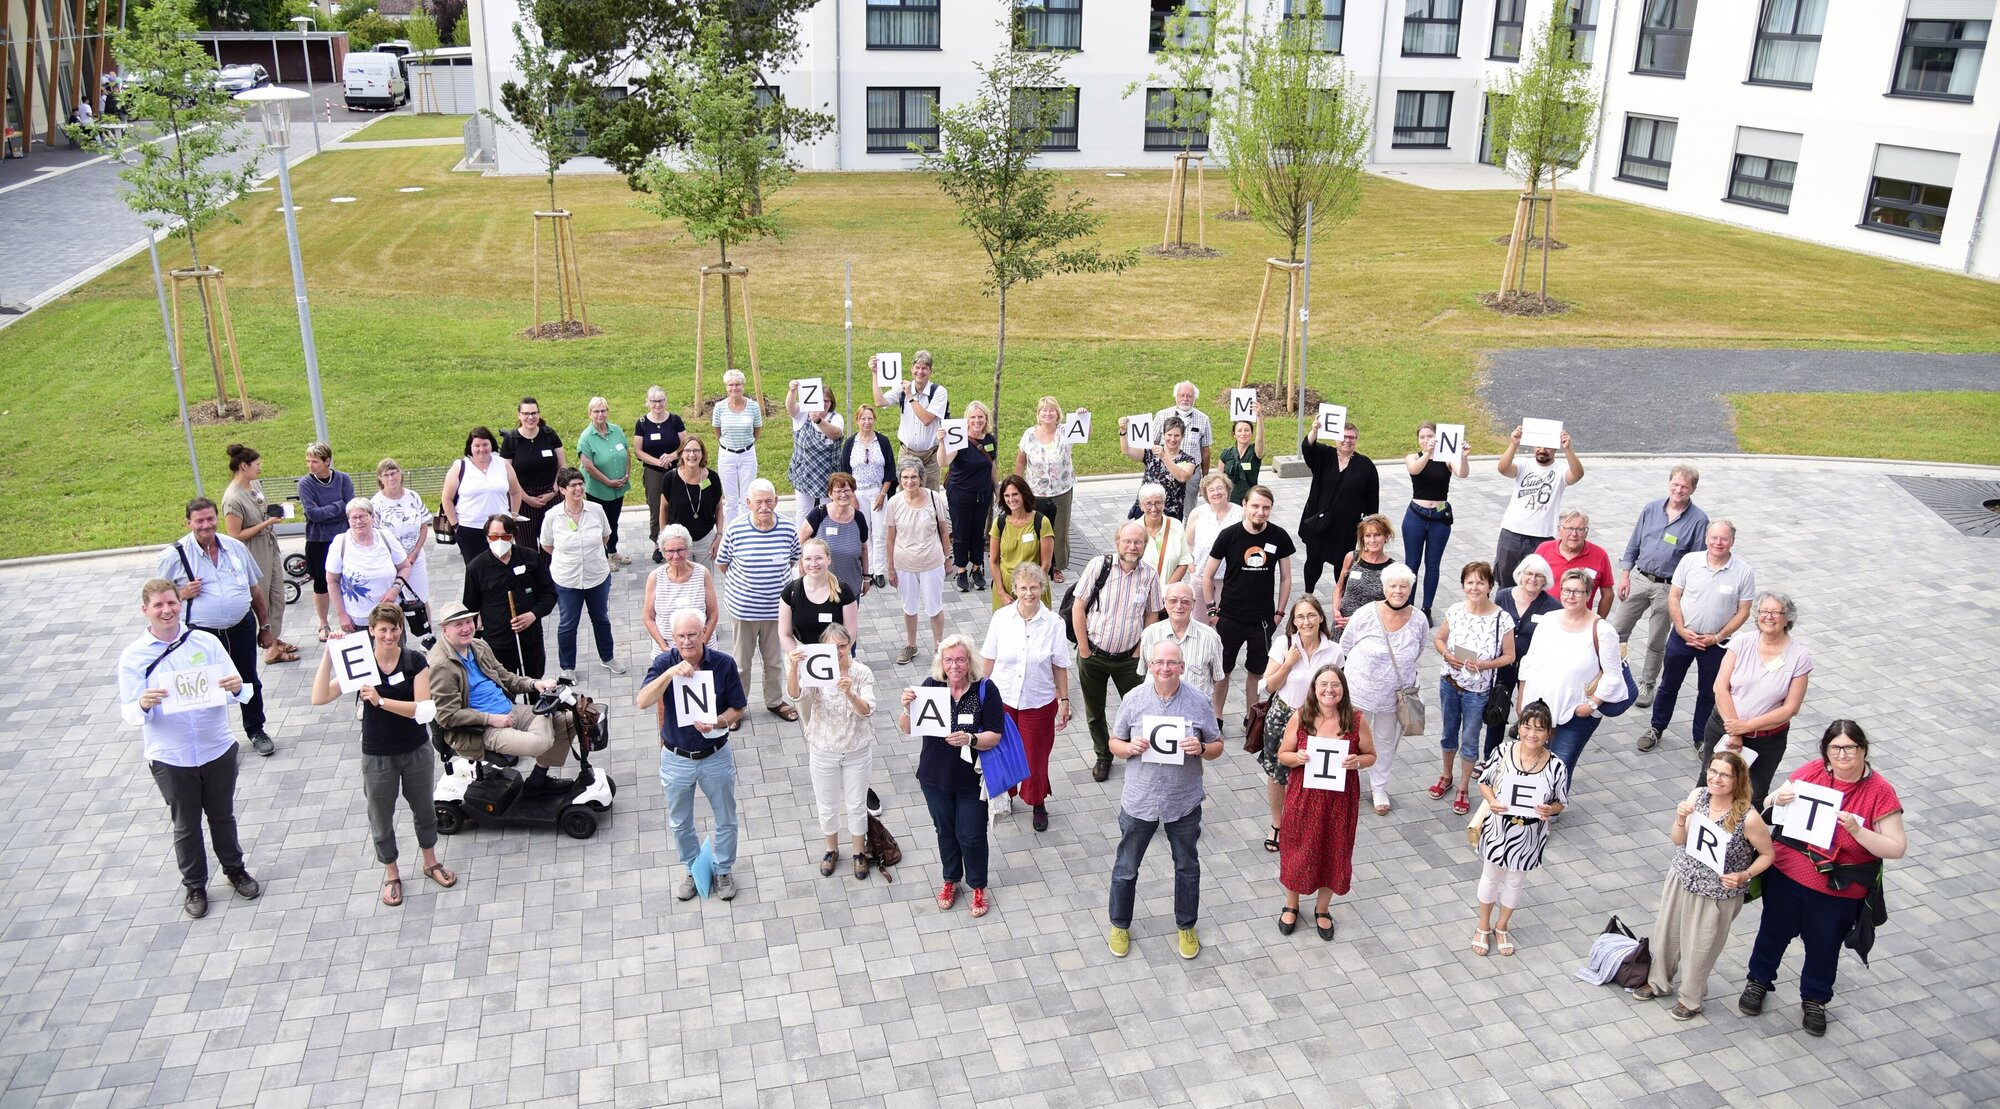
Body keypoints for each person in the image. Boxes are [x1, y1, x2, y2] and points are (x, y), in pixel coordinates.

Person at [1741, 720, 1906, 1037]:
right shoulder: (1812, 771)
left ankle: (1815, 999)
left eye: (1850, 748)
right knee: (1773, 931)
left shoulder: (1880, 792)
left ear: (1863, 750)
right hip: (1788, 875)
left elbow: (1897, 847)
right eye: (1835, 748)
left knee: (1824, 945)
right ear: (1826, 751)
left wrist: (1858, 832)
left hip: (1838, 888)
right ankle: (1758, 981)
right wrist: (1779, 798)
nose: (1842, 755)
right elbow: (1768, 802)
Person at [117, 579, 263, 919]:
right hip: (171, 754)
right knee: (185, 823)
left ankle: (234, 869)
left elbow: (240, 690)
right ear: (145, 611)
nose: (167, 610)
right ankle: (195, 885)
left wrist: (236, 686)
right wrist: (142, 702)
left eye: (171, 603)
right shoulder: (133, 657)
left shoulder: (204, 642)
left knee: (222, 815)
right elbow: (128, 712)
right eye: (159, 606)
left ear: (179, 603)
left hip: (216, 746)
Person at [309, 602, 456, 908]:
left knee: (424, 810)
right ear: (372, 632)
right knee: (381, 816)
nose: (389, 636)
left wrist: (380, 701)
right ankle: (392, 873)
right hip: (378, 755)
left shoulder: (415, 660)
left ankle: (430, 862)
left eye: (394, 629)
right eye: (383, 630)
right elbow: (319, 697)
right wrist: (329, 657)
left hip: (415, 749)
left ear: (401, 630)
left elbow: (423, 710)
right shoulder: (361, 664)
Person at [1104, 639, 1222, 959]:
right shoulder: (1134, 698)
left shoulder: (1198, 701)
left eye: (1172, 663)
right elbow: (1114, 741)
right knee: (1126, 866)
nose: (1165, 668)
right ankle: (1119, 924)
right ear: (1150, 665)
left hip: (1182, 800)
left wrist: (1202, 749)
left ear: (1182, 667)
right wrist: (1128, 749)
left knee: (1186, 866)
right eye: (1159, 663)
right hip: (1140, 798)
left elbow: (1217, 745)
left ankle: (1186, 926)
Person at [1638, 750, 1774, 1021]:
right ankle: (1658, 981)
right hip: (1682, 877)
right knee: (1667, 934)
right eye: (1713, 771)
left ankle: (1691, 998)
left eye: (1725, 775)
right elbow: (1678, 840)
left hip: (1717, 891)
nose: (1716, 778)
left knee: (1701, 946)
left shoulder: (1748, 817)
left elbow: (1769, 854)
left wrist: (1745, 875)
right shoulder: (1697, 796)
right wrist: (1679, 820)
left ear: (1737, 780)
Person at [639, 609, 750, 903]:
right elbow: (642, 701)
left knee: (725, 817)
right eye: (680, 636)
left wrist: (717, 722)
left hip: (715, 754)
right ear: (672, 638)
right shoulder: (665, 662)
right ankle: (692, 868)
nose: (687, 642)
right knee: (680, 821)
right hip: (676, 758)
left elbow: (738, 707)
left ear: (705, 633)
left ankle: (723, 868)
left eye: (693, 634)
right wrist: (671, 673)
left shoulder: (724, 664)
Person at [156, 497, 277, 756]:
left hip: (241, 627)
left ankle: (256, 730)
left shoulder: (234, 547)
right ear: (188, 522)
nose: (206, 525)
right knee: (204, 687)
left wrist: (264, 626)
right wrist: (181, 593)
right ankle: (212, 739)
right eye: (199, 521)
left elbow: (254, 588)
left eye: (210, 519)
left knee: (248, 681)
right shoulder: (174, 555)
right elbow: (156, 598)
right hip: (201, 634)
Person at [899, 636, 1004, 918]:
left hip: (971, 780)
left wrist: (971, 738)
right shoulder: (931, 686)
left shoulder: (985, 689)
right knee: (945, 831)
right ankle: (951, 879)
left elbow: (995, 734)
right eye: (949, 660)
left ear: (969, 661)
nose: (954, 665)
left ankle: (978, 885)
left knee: (970, 835)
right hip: (934, 777)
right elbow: (908, 729)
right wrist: (906, 708)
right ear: (941, 663)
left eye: (960, 659)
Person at [427, 603, 576, 795]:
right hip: (481, 729)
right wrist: (490, 719)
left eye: (468, 621)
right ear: (444, 629)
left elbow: (506, 677)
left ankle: (538, 781)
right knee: (541, 742)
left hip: (509, 710)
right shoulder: (441, 666)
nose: (466, 628)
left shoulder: (478, 645)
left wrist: (534, 684)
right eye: (458, 624)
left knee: (569, 721)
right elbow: (447, 716)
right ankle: (545, 720)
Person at [1274, 665, 1375, 941]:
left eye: (1335, 685)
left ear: (1343, 690)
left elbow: (1370, 755)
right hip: (1304, 798)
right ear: (1314, 689)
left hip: (1340, 800)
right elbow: (1283, 753)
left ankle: (1322, 908)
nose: (1329, 690)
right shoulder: (1302, 716)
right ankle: (1291, 903)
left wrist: (1357, 762)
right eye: (1323, 684)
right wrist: (1298, 758)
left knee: (1335, 851)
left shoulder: (1355, 720)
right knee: (1298, 848)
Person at [1640, 520, 1755, 754]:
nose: (1718, 543)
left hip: (1717, 644)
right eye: (1714, 537)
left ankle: (1702, 738)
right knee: (1668, 686)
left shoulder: (1743, 571)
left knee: (1709, 692)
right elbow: (1674, 596)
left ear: (1732, 541)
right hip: (1682, 638)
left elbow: (1744, 610)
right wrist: (1681, 629)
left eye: (1724, 538)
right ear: (1706, 539)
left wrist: (1718, 636)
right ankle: (1656, 727)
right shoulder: (1690, 561)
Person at [1327, 563, 1429, 816]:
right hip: (1359, 691)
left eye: (1403, 586)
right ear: (1384, 588)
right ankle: (1339, 783)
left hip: (1393, 696)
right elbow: (1346, 645)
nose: (1398, 591)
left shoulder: (1418, 620)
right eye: (1393, 586)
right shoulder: (1365, 613)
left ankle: (1379, 787)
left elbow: (1418, 650)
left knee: (1384, 741)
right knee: (1347, 736)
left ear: (1410, 589)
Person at [1470, 700, 1569, 957]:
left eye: (1539, 729)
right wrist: (1492, 801)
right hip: (1499, 828)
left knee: (1514, 882)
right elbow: (1484, 781)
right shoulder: (1503, 751)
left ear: (1549, 733)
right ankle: (1483, 926)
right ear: (1520, 727)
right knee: (1490, 876)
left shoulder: (1557, 765)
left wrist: (1551, 809)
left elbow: (1561, 802)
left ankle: (1502, 927)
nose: (1532, 734)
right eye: (1527, 727)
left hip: (1529, 833)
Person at [979, 563, 1072, 832]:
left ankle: (1037, 800)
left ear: (1042, 589)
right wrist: (980, 696)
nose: (1029, 593)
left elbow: (1060, 665)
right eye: (1023, 588)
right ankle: (1004, 797)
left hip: (1039, 701)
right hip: (1003, 698)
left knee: (1035, 756)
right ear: (1014, 589)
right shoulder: (1001, 618)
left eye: (1034, 587)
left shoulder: (1054, 623)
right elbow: (989, 659)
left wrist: (1064, 701)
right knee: (1003, 752)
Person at [1698, 591, 1811, 808]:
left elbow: (1790, 709)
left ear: (1788, 618)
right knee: (1710, 785)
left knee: (1753, 796)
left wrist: (1745, 727)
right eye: (1764, 611)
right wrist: (1735, 730)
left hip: (1766, 740)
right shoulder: (1741, 642)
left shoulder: (1799, 656)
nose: (1769, 617)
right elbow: (1720, 687)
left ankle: (1743, 841)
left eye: (1776, 612)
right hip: (1724, 729)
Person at [1514, 568, 1625, 784]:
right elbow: (1529, 661)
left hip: (1573, 715)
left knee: (1558, 768)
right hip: (1537, 711)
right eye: (1566, 590)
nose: (1570, 596)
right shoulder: (1548, 619)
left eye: (1577, 592)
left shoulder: (1602, 630)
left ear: (1588, 595)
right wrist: (1521, 701)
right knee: (1529, 763)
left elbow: (1613, 676)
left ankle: (1550, 812)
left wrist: (1590, 706)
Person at [1201, 485, 1294, 744]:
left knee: (1257, 673)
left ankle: (1251, 717)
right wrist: (1212, 611)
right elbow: (1207, 575)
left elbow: (1286, 578)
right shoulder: (1229, 536)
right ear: (1245, 505)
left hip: (1263, 620)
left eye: (1265, 507)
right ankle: (1216, 716)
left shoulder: (1279, 537)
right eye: (1255, 506)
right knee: (1223, 671)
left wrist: (1279, 613)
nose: (1260, 511)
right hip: (1229, 617)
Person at [1072, 522, 1164, 783]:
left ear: (1145, 546)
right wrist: (1085, 649)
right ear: (1117, 542)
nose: (1132, 547)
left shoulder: (1149, 575)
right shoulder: (1099, 566)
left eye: (1138, 542)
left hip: (1129, 660)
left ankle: (1138, 750)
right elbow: (1079, 607)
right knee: (1095, 710)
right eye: (1127, 541)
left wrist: (1140, 649)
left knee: (1139, 708)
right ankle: (1103, 755)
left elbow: (1152, 613)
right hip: (1095, 656)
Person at [1610, 466, 1708, 708]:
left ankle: (1647, 683)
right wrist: (1625, 575)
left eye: (1684, 486)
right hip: (1640, 578)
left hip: (1669, 587)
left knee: (1656, 639)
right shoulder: (1651, 508)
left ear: (1693, 489)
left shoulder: (1699, 520)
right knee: (1616, 632)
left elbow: (1696, 561)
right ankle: (1608, 676)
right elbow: (1634, 542)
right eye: (1675, 484)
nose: (1678, 490)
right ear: (1669, 484)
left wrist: (1684, 594)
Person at [786, 623, 877, 879]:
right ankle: (831, 848)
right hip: (823, 747)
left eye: (842, 646)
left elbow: (867, 710)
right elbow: (796, 695)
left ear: (849, 646)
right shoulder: (817, 670)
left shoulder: (862, 673)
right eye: (831, 647)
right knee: (826, 803)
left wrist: (850, 693)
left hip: (856, 748)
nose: (837, 651)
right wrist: (793, 667)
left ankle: (859, 852)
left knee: (857, 804)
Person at [1431, 562, 1517, 817]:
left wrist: (1485, 664)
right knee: (1448, 734)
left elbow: (1510, 656)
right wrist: (1447, 654)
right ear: (1463, 585)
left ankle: (1464, 787)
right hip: (1450, 683)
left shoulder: (1502, 618)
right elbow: (1439, 639)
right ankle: (1446, 776)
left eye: (1480, 582)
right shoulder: (1456, 610)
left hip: (1477, 691)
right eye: (1470, 582)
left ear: (1490, 585)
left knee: (1469, 739)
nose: (1475, 587)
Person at [1256, 596, 1339, 851]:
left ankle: (1306, 826)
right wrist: (1289, 663)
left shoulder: (1334, 650)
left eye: (1311, 615)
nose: (1306, 621)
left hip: (1317, 720)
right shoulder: (1284, 643)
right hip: (1282, 715)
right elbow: (1268, 685)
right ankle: (1277, 824)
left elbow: (1337, 689)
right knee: (1278, 774)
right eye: (1300, 617)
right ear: (1294, 621)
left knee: (1311, 776)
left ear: (1321, 618)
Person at [716, 478, 801, 720]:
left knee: (774, 662)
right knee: (741, 663)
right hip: (744, 611)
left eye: (768, 501)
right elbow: (723, 564)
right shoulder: (736, 529)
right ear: (748, 503)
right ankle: (737, 706)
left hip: (777, 612)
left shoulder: (787, 527)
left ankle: (774, 701)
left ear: (776, 501)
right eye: (758, 502)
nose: (764, 506)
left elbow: (793, 559)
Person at [540, 469, 623, 679]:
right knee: (568, 623)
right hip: (567, 579)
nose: (578, 489)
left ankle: (608, 657)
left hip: (597, 576)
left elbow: (605, 536)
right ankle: (567, 667)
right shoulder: (552, 516)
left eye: (580, 484)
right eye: (573, 486)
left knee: (601, 618)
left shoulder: (596, 510)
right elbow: (547, 545)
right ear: (562, 490)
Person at [220, 443, 296, 664]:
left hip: (269, 547)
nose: (260, 468)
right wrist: (267, 524)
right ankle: (269, 647)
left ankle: (274, 638)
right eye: (257, 465)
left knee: (277, 595)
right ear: (244, 466)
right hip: (253, 552)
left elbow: (262, 509)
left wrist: (273, 514)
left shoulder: (253, 486)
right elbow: (235, 534)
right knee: (262, 596)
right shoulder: (232, 499)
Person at [1484, 554, 1559, 758]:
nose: (1533, 579)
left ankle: (1525, 756)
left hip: (1533, 668)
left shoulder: (1553, 607)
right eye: (1529, 574)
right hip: (1504, 663)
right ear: (1521, 574)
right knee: (1497, 709)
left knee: (1528, 710)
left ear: (1545, 580)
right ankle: (1490, 757)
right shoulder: (1504, 596)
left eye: (1539, 575)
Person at [462, 514, 554, 678]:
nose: (499, 541)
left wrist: (533, 615)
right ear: (487, 538)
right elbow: (470, 608)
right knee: (504, 689)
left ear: (513, 536)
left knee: (535, 685)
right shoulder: (476, 567)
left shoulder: (530, 557)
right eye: (494, 536)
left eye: (505, 536)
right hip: (498, 642)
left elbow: (549, 593)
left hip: (530, 638)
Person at [1492, 425, 1583, 588]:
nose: (1542, 450)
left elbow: (1577, 474)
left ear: (1555, 448)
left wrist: (1568, 449)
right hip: (1511, 534)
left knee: (1536, 584)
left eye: (1548, 447)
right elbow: (1503, 468)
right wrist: (1514, 444)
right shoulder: (1523, 464)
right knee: (1505, 582)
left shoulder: (1560, 471)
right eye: (1539, 446)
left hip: (1542, 538)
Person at [1297, 419, 1378, 597]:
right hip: (1318, 521)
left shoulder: (1366, 466)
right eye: (1343, 436)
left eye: (1352, 437)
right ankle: (1308, 595)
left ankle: (1340, 598)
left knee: (1342, 564)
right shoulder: (1324, 455)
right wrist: (1314, 431)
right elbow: (1307, 448)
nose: (1347, 440)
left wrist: (1372, 527)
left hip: (1345, 527)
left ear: (1356, 440)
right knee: (1313, 560)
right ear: (1336, 438)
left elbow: (1373, 498)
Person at [883, 459, 951, 666]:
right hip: (904, 564)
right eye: (905, 477)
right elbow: (890, 537)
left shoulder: (934, 498)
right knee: (909, 607)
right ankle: (911, 645)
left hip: (932, 562)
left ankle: (939, 647)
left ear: (921, 478)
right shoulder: (894, 502)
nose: (909, 481)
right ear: (900, 479)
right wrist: (890, 567)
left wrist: (948, 559)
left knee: (934, 606)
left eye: (913, 477)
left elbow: (943, 530)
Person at [1403, 421, 1470, 622]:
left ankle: (1427, 608)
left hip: (1439, 517)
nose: (1426, 440)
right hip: (1416, 515)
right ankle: (1408, 607)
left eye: (1430, 436)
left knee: (1433, 564)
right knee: (1412, 564)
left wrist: (1462, 457)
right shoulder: (1414, 457)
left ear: (1438, 437)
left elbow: (1462, 473)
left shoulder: (1447, 459)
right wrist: (1427, 453)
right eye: (1422, 437)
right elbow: (1415, 470)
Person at [1137, 581, 1226, 731]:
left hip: (1194, 714)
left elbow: (1216, 678)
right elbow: (1144, 672)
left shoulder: (1210, 637)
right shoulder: (1149, 634)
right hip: (1156, 713)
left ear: (1193, 604)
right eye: (1173, 601)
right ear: (1164, 603)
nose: (1179, 606)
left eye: (1185, 601)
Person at [1014, 396, 1083, 581]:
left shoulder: (1067, 431)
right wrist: (1018, 488)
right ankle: (1036, 566)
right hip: (1035, 492)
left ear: (1057, 414)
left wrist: (1083, 417)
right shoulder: (1029, 434)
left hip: (1062, 491)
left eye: (1051, 410)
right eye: (1044, 410)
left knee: (1059, 531)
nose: (1047, 413)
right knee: (1036, 530)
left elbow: (1087, 433)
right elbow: (1020, 462)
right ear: (1038, 414)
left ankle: (1057, 567)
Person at [440, 425, 524, 567]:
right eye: (477, 445)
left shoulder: (503, 464)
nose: (481, 449)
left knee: (503, 567)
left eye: (485, 444)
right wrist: (456, 526)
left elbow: (516, 492)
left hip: (500, 529)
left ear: (492, 444)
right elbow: (446, 498)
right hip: (470, 529)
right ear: (470, 447)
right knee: (477, 571)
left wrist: (513, 517)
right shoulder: (460, 467)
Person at [324, 498, 408, 634]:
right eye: (353, 518)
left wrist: (395, 589)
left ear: (372, 517)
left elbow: (405, 567)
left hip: (390, 616)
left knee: (395, 654)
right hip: (357, 620)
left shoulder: (386, 538)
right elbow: (332, 581)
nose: (358, 522)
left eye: (363, 516)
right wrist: (342, 615)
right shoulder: (340, 543)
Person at [298, 442, 355, 642]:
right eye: (308, 461)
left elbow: (350, 508)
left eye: (314, 461)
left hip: (342, 538)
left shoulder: (343, 479)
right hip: (318, 540)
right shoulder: (305, 484)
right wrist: (337, 506)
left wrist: (332, 510)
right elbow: (313, 514)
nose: (310, 465)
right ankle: (323, 623)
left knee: (348, 579)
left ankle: (349, 618)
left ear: (327, 461)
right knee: (321, 583)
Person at [837, 404, 897, 586]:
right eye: (863, 418)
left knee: (880, 532)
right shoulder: (850, 443)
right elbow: (844, 471)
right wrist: (851, 496)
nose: (867, 422)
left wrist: (882, 494)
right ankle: (868, 570)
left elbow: (890, 471)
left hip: (878, 491)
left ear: (874, 420)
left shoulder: (883, 441)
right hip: (858, 493)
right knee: (864, 533)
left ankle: (879, 570)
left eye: (870, 418)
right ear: (857, 420)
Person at [943, 400, 999, 592]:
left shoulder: (989, 440)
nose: (977, 421)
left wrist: (997, 488)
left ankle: (977, 568)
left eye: (980, 417)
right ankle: (961, 570)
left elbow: (992, 465)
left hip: (983, 494)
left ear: (986, 419)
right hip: (960, 494)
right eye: (973, 417)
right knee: (961, 533)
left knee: (978, 532)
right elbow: (943, 461)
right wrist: (942, 442)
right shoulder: (958, 437)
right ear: (967, 419)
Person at [873, 350, 948, 490]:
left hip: (931, 455)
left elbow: (927, 419)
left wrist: (910, 396)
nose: (920, 371)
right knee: (905, 496)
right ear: (912, 369)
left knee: (930, 497)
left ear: (930, 371)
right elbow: (879, 402)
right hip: (907, 453)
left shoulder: (939, 392)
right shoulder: (902, 388)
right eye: (917, 367)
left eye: (925, 368)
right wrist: (875, 374)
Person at [780, 539, 860, 669]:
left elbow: (850, 633)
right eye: (808, 559)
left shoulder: (844, 592)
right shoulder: (791, 592)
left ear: (828, 559)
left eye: (818, 558)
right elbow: (784, 634)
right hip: (802, 657)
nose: (813, 564)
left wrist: (836, 656)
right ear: (801, 561)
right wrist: (796, 655)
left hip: (837, 657)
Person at [575, 397, 634, 567]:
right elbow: (589, 467)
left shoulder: (616, 431)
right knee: (600, 524)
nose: (600, 414)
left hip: (618, 488)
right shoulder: (586, 437)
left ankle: (613, 551)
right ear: (590, 414)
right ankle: (602, 557)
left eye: (603, 410)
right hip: (599, 489)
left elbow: (627, 454)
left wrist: (627, 475)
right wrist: (608, 482)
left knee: (613, 521)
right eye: (596, 411)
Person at [643, 524, 720, 654]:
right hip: (667, 651)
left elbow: (713, 615)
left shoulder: (702, 573)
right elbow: (648, 617)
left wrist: (701, 646)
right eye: (670, 551)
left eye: (680, 550)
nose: (676, 555)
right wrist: (664, 648)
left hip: (702, 649)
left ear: (688, 550)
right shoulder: (655, 577)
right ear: (662, 552)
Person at [501, 396, 565, 547]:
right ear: (519, 415)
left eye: (534, 413)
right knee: (526, 547)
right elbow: (507, 475)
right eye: (526, 414)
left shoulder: (549, 435)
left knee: (552, 544)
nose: (531, 417)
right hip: (523, 501)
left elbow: (562, 467)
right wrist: (526, 498)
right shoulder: (511, 439)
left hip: (551, 498)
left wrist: (553, 492)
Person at [371, 459, 433, 611]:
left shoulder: (413, 496)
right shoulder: (375, 503)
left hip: (415, 558)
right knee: (394, 604)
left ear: (401, 474)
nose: (391, 478)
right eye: (386, 475)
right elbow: (375, 537)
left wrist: (414, 553)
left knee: (421, 599)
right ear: (380, 478)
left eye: (394, 473)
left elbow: (424, 527)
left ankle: (426, 632)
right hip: (390, 562)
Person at [634, 385, 687, 562]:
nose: (658, 404)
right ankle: (659, 543)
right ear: (647, 403)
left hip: (675, 470)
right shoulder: (642, 423)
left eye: (661, 400)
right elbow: (638, 451)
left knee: (678, 505)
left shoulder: (675, 420)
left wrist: (671, 456)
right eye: (654, 401)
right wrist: (657, 461)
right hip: (653, 471)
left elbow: (685, 445)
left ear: (666, 401)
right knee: (656, 507)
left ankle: (680, 541)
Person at [987, 474, 1054, 612]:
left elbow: (1046, 564)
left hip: (1033, 589)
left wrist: (1032, 591)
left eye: (1015, 494)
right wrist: (1002, 592)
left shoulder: (1041, 522)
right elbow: (993, 561)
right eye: (1007, 496)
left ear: (1024, 494)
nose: (1011, 499)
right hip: (1005, 588)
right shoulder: (999, 523)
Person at [801, 473, 872, 603]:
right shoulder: (819, 514)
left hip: (851, 585)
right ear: (830, 494)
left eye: (847, 490)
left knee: (848, 623)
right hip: (821, 586)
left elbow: (864, 549)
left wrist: (866, 577)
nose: (843, 495)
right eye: (838, 491)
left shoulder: (859, 518)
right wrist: (802, 575)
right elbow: (800, 542)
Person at [711, 369, 764, 532]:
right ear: (726, 387)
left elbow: (757, 429)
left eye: (738, 384)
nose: (734, 388)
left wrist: (747, 443)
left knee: (747, 495)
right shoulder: (719, 407)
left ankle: (749, 529)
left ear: (743, 385)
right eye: (731, 385)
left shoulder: (753, 407)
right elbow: (717, 430)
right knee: (731, 499)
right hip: (727, 455)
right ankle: (732, 531)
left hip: (747, 454)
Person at [1185, 474, 1241, 628]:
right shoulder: (1198, 513)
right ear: (1205, 493)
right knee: (1198, 621)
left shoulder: (1240, 513)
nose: (1216, 493)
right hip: (1200, 576)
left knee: (1223, 621)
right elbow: (1188, 543)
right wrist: (1191, 565)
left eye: (1220, 488)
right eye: (1211, 490)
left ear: (1228, 490)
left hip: (1227, 578)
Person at [661, 434, 724, 571]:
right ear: (681, 454)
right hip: (679, 542)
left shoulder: (712, 478)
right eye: (687, 451)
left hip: (705, 540)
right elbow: (663, 509)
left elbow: (719, 508)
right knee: (681, 581)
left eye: (696, 451)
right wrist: (664, 538)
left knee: (704, 582)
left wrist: (719, 536)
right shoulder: (670, 478)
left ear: (702, 454)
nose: (692, 455)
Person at [1534, 510, 1614, 617]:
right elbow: (1529, 582)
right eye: (1569, 528)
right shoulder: (1544, 549)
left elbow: (1608, 594)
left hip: (1579, 620)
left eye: (1580, 529)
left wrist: (1598, 621)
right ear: (1559, 530)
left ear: (1586, 533)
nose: (1574, 534)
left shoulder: (1600, 555)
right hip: (1544, 616)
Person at [784, 377, 845, 519]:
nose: (824, 404)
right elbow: (790, 408)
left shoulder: (836, 418)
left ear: (832, 403)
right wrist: (792, 391)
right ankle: (802, 541)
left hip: (827, 473)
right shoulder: (802, 414)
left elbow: (835, 434)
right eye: (821, 400)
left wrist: (818, 420)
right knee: (803, 512)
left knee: (828, 511)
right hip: (804, 472)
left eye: (827, 401)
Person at [1119, 414, 1197, 520]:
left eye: (1177, 435)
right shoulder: (1150, 453)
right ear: (1163, 435)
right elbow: (1127, 450)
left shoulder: (1188, 460)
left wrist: (1164, 456)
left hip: (1170, 512)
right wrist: (1123, 432)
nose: (1172, 439)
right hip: (1145, 509)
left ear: (1182, 437)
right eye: (1169, 435)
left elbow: (1183, 477)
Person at [1331, 513, 1397, 640]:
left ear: (1386, 537)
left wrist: (1358, 620)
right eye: (1368, 536)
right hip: (1342, 626)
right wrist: (1335, 611)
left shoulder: (1392, 569)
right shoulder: (1352, 557)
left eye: (1377, 535)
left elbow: (1391, 606)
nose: (1372, 540)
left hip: (1369, 630)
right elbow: (1339, 588)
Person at [1133, 482, 1192, 591]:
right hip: (1140, 593)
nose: (1154, 508)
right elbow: (1127, 565)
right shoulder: (1133, 530)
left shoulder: (1176, 526)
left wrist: (1165, 590)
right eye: (1148, 504)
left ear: (1164, 504)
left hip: (1169, 595)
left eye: (1158, 503)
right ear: (1141, 506)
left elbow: (1183, 562)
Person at [1153, 380, 1214, 477]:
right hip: (1165, 469)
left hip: (1191, 473)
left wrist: (1205, 476)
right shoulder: (1161, 416)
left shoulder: (1204, 419)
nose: (1185, 399)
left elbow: (1205, 450)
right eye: (1182, 395)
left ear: (1195, 398)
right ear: (1175, 396)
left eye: (1189, 396)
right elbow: (1153, 443)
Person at [1218, 411, 1264, 505]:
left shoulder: (1255, 452)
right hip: (1230, 499)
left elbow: (1260, 439)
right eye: (1239, 430)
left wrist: (1259, 417)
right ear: (1234, 434)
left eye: (1247, 430)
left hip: (1250, 499)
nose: (1243, 433)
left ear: (1251, 433)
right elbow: (1220, 478)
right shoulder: (1226, 454)